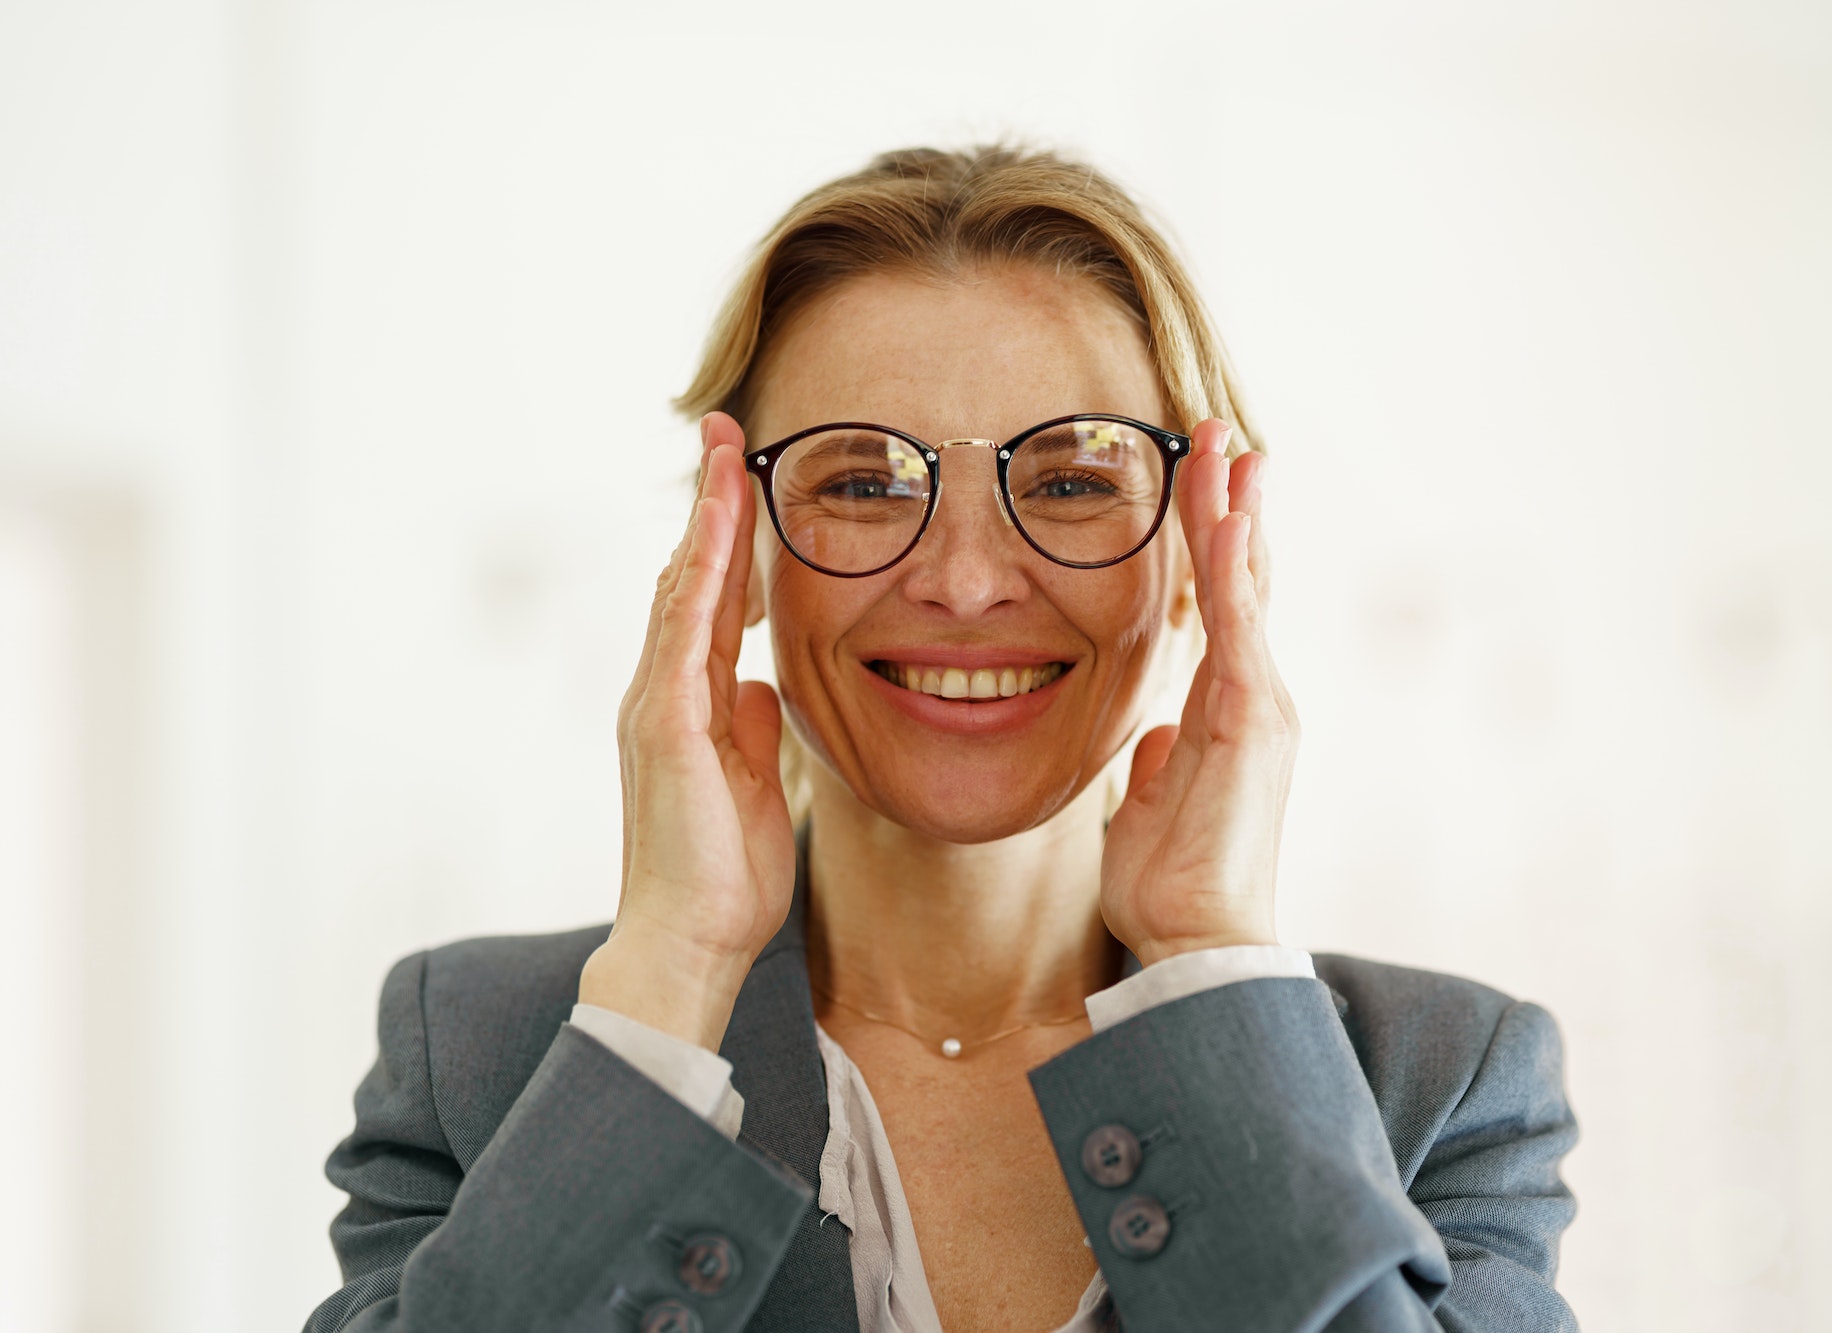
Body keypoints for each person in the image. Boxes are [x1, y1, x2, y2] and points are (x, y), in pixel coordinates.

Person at [307, 146, 1579, 1333]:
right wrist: (670, 984)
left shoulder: (1439, 1086)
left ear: (1196, 559)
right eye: (864, 482)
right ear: (737, 548)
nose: (966, 582)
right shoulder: (482, 1055)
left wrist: (1206, 956)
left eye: (1073, 481)